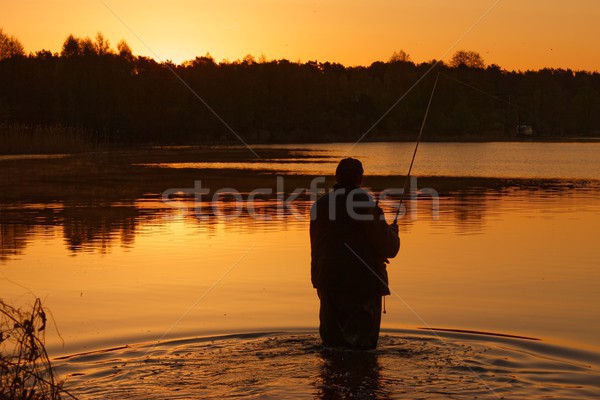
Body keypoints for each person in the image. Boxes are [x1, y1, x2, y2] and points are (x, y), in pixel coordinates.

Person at [310, 158, 400, 350]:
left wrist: (317, 280)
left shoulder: (319, 206)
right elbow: (389, 249)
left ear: (336, 177)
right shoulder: (365, 204)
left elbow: (315, 248)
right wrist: (393, 233)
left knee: (332, 350)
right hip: (363, 286)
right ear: (360, 178)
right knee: (362, 351)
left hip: (328, 283)